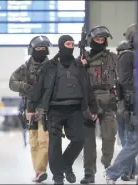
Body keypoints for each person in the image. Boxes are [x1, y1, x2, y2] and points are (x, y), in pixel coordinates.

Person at [26, 35, 98, 184]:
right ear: (61, 45)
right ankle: (58, 176)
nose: (71, 46)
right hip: (54, 110)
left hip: (75, 110)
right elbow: (38, 88)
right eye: (67, 43)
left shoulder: (79, 66)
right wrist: (31, 108)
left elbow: (87, 88)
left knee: (79, 140)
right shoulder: (49, 66)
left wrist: (93, 107)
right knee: (54, 144)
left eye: (72, 44)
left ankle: (65, 165)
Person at [9, 35, 52, 182]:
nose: (41, 50)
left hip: (47, 109)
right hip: (30, 108)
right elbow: (12, 82)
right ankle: (38, 172)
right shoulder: (25, 68)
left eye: (43, 48)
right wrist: (24, 87)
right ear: (32, 50)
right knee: (34, 141)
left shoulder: (53, 66)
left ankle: (40, 169)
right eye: (38, 48)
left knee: (44, 141)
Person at [79, 26, 118, 184]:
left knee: (109, 136)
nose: (101, 42)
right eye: (97, 39)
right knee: (88, 141)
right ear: (90, 40)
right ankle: (89, 173)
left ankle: (107, 166)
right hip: (89, 101)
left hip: (108, 100)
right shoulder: (83, 59)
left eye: (103, 39)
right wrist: (81, 65)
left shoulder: (113, 58)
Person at [104, 24, 138, 184]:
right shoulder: (127, 57)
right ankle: (113, 172)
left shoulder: (134, 56)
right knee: (131, 142)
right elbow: (126, 83)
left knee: (130, 142)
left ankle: (130, 171)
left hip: (128, 106)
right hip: (129, 107)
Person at [115, 40, 137, 181]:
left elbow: (123, 83)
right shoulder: (135, 58)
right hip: (130, 104)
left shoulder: (125, 57)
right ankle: (131, 170)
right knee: (129, 141)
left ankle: (125, 171)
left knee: (127, 141)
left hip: (126, 105)